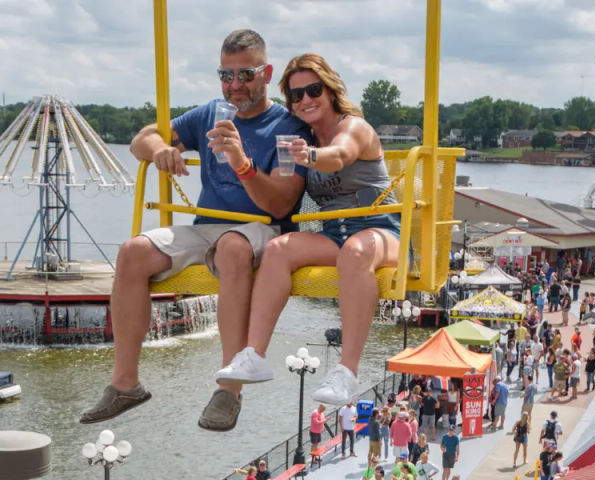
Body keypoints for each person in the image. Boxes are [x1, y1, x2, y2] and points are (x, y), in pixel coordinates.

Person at [79, 29, 311, 430]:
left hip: (260, 228)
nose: (235, 85)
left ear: (267, 73)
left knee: (234, 249)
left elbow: (282, 203)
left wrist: (242, 163)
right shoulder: (210, 113)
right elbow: (141, 139)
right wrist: (161, 151)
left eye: (246, 74)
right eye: (226, 75)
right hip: (207, 226)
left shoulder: (289, 129)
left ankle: (229, 388)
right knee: (132, 252)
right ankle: (125, 384)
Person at [216, 52, 402, 405]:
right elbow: (283, 191)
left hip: (380, 229)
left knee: (356, 252)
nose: (305, 100)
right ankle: (253, 354)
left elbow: (341, 155)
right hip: (335, 234)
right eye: (296, 95)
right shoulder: (300, 138)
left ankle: (347, 372)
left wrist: (311, 157)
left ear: (330, 90)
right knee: (278, 248)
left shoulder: (353, 129)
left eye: (313, 90)